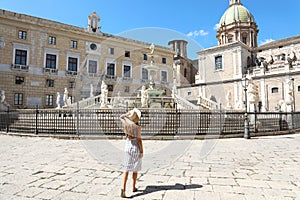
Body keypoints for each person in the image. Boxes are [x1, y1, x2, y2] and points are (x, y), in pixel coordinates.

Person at [119, 108, 143, 198]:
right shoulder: (138, 128)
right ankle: (133, 187)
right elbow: (139, 140)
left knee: (126, 169)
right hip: (135, 148)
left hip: (127, 148)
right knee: (135, 169)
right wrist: (142, 151)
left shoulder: (126, 125)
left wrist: (127, 114)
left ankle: (123, 188)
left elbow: (121, 117)